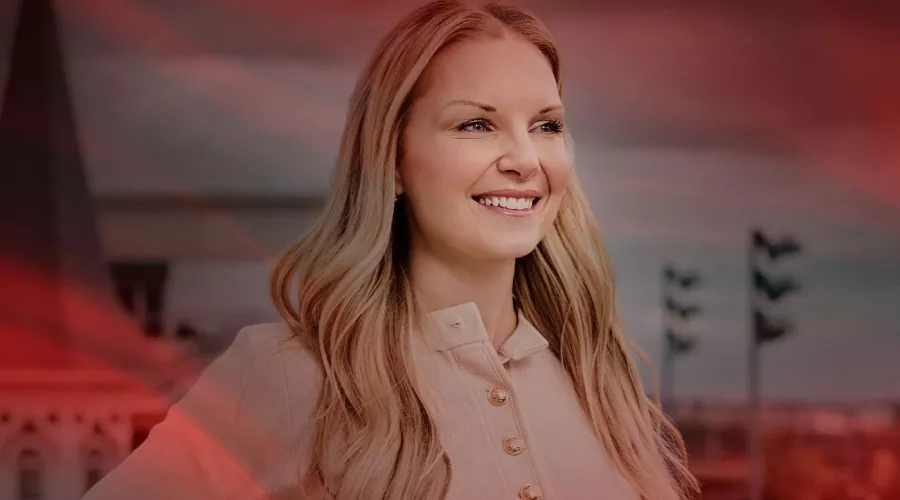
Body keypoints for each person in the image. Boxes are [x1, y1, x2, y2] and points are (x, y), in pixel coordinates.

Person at [83, 1, 699, 499]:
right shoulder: (285, 376)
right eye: (475, 124)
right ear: (393, 160)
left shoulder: (603, 384)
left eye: (547, 125)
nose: (524, 160)